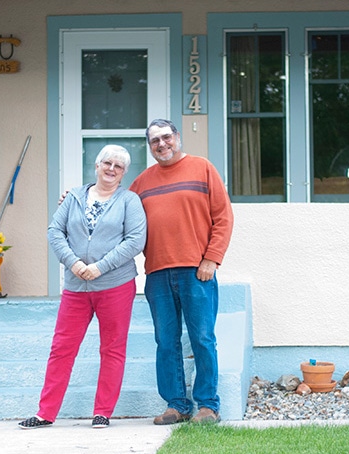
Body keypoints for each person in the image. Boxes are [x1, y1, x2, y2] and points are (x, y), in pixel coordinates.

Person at [19, 145, 146, 430]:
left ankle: (103, 412)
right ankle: (45, 413)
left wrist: (100, 267)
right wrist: (73, 263)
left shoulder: (130, 201)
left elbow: (135, 241)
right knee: (62, 348)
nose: (111, 169)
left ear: (124, 173)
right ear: (97, 165)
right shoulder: (74, 197)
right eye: (107, 163)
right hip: (76, 286)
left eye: (118, 166)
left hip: (115, 284)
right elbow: (55, 231)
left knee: (112, 349)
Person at [129, 119, 234, 425]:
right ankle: (176, 404)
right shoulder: (142, 183)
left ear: (177, 137)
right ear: (150, 147)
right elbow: (116, 213)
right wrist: (78, 200)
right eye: (154, 141)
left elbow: (223, 217)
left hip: (197, 270)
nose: (161, 144)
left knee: (202, 338)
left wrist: (212, 259)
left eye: (166, 138)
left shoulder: (203, 168)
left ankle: (207, 406)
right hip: (158, 272)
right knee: (166, 341)